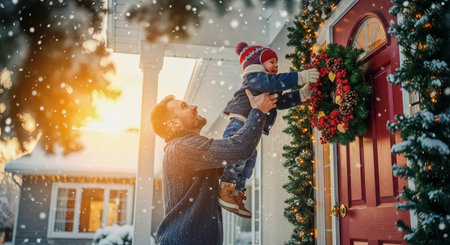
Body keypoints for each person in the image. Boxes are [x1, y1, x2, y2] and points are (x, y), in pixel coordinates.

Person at [151, 90, 278, 245]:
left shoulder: (187, 150)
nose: (194, 106)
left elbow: (235, 156)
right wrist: (258, 111)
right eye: (184, 106)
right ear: (174, 123)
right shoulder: (181, 148)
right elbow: (239, 149)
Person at [218, 42, 319, 218]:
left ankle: (237, 192)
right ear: (257, 63)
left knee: (250, 156)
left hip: (248, 128)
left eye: (276, 63)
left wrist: (303, 94)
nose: (276, 66)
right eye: (271, 61)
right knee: (238, 154)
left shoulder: (267, 84)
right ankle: (226, 186)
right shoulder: (255, 79)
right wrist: (300, 77)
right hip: (239, 124)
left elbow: (281, 102)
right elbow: (274, 83)